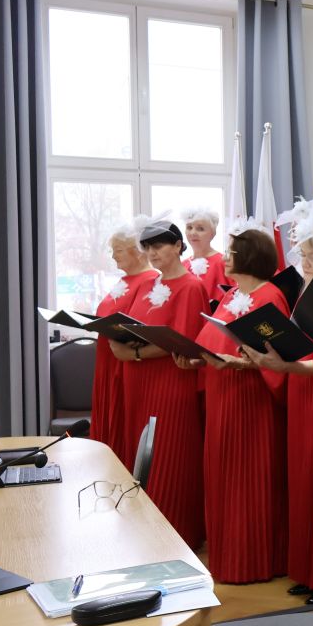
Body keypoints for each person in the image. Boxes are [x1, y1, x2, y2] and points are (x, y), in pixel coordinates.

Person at [243, 214, 313, 604]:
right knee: (305, 483)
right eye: (303, 255)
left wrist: (290, 364)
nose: (304, 263)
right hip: (302, 396)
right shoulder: (305, 295)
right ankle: (310, 570)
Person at [175, 224, 288, 584]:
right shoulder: (232, 295)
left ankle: (252, 561)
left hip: (250, 401)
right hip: (223, 396)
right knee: (223, 478)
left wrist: (243, 363)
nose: (224, 258)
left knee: (247, 480)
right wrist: (196, 359)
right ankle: (226, 557)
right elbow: (213, 341)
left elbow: (280, 357)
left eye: (232, 253)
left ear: (249, 257)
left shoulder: (270, 296)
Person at [114, 221, 209, 547]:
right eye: (148, 248)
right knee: (143, 458)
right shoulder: (147, 284)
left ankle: (176, 536)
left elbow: (182, 339)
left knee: (171, 456)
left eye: (159, 246)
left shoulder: (191, 286)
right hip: (138, 384)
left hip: (171, 382)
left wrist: (134, 353)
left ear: (178, 246)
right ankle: (144, 535)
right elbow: (133, 326)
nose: (152, 253)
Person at [91, 218, 159, 469]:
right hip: (107, 363)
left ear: (137, 252)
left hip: (124, 363)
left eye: (118, 250)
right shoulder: (125, 280)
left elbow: (143, 324)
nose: (113, 256)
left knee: (121, 423)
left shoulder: (150, 280)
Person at [182, 206, 232, 304]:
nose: (193, 233)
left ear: (212, 233)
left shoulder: (224, 263)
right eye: (189, 227)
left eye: (200, 229)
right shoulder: (183, 265)